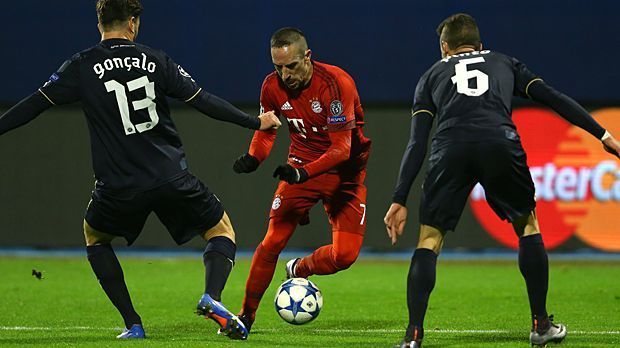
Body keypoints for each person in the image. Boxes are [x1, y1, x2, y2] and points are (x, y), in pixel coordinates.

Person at [0, 0, 281, 340]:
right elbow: (203, 100)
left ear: (100, 21)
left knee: (96, 237)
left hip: (117, 185)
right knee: (221, 230)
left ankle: (133, 323)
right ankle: (213, 297)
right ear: (132, 23)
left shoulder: (81, 65)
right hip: (170, 176)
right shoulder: (154, 59)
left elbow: (33, 104)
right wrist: (255, 121)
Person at [384, 13, 620, 348]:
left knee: (430, 240)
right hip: (499, 142)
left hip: (450, 147)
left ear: (444, 47)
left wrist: (399, 197)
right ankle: (540, 325)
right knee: (527, 226)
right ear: (480, 45)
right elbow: (552, 97)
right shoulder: (504, 62)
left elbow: (417, 143)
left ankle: (413, 337)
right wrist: (603, 133)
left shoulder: (431, 75)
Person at [232, 27, 372, 334]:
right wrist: (254, 157)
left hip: (344, 174)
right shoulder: (271, 86)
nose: (285, 75)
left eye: (292, 66)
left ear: (307, 57)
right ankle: (244, 317)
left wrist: (303, 174)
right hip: (301, 167)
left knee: (344, 256)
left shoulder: (336, 84)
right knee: (271, 242)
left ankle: (300, 268)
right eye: (278, 67)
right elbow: (267, 129)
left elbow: (342, 148)